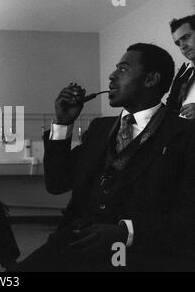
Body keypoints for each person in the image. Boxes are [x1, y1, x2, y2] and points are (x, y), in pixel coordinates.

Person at [16, 43, 195, 271]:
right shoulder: (100, 129)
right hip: (75, 243)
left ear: (150, 79)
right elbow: (57, 183)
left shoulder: (185, 135)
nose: (111, 76)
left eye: (123, 69)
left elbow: (188, 217)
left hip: (138, 255)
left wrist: (126, 231)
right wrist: (63, 123)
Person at [166, 15, 195, 118]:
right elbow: (171, 107)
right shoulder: (183, 73)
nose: (182, 46)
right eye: (178, 43)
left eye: (186, 37)